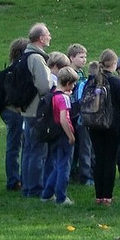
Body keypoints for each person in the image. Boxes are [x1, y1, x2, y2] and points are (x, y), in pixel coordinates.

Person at [86, 50, 120, 206]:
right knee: (110, 160)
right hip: (113, 125)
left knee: (99, 159)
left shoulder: (92, 80)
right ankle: (107, 196)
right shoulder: (116, 82)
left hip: (94, 124)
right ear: (114, 64)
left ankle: (98, 196)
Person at [19, 23, 57, 199]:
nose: (50, 37)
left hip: (26, 108)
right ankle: (35, 188)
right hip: (36, 109)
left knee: (28, 149)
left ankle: (27, 186)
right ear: (41, 38)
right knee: (37, 150)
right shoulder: (37, 58)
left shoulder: (24, 55)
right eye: (48, 34)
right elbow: (43, 85)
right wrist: (53, 83)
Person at [40, 67, 79, 206]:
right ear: (68, 83)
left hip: (53, 134)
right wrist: (71, 135)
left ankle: (47, 193)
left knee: (57, 165)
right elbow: (64, 119)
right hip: (63, 134)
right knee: (64, 166)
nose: (73, 87)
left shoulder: (52, 95)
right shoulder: (64, 98)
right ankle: (61, 196)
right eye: (73, 84)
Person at [0, 37, 28, 191]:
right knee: (16, 146)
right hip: (15, 111)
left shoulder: (10, 67)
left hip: (7, 110)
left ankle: (15, 179)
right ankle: (14, 181)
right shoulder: (19, 69)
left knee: (14, 145)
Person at [66, 44, 93, 186]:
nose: (84, 60)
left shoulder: (82, 73)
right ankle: (75, 172)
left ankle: (80, 172)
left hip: (81, 112)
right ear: (72, 58)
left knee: (83, 145)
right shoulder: (67, 73)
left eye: (85, 57)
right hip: (71, 112)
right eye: (81, 57)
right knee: (75, 145)